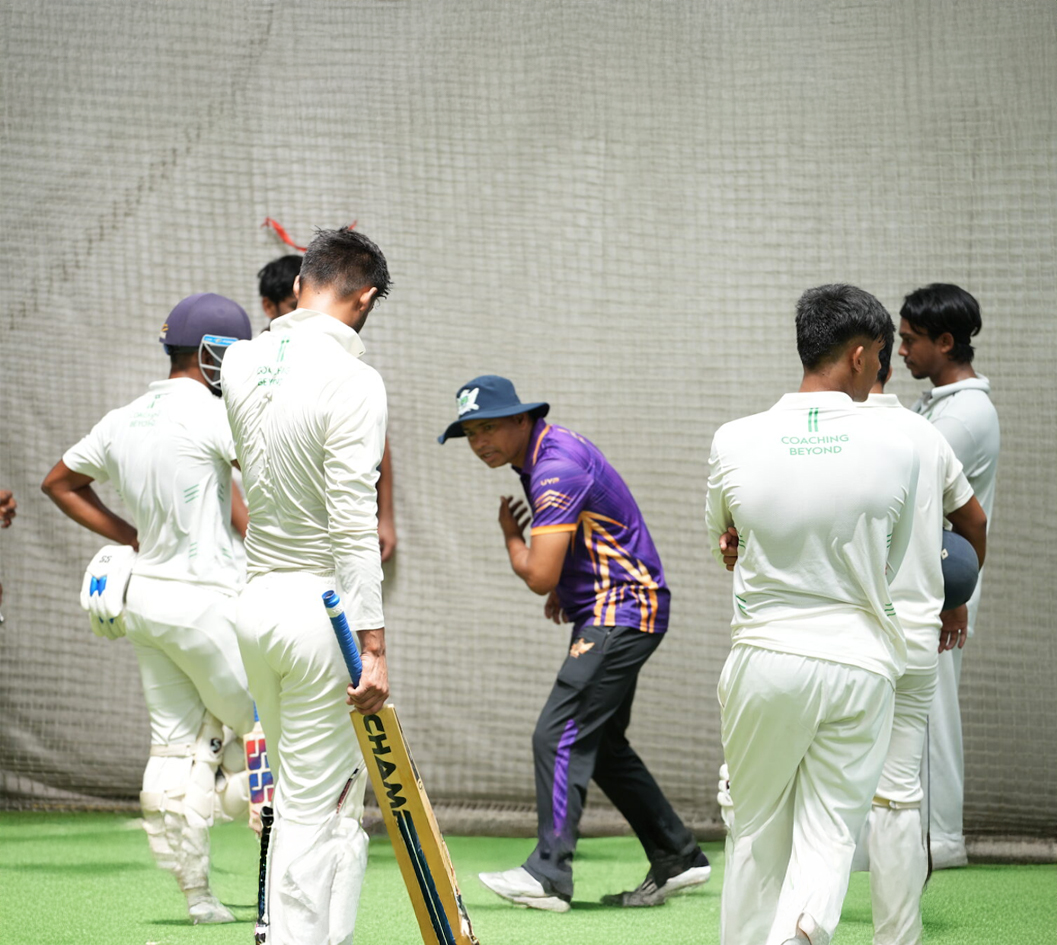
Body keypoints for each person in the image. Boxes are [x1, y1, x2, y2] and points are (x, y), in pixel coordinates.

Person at [439, 375, 710, 912]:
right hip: (616, 605)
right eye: (469, 433)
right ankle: (678, 855)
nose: (479, 442)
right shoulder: (542, 453)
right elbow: (585, 541)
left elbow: (538, 573)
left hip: (623, 609)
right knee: (602, 745)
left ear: (522, 419)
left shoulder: (553, 468)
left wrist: (513, 540)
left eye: (488, 427)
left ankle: (548, 874)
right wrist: (571, 588)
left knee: (557, 733)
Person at [705, 284, 919, 945]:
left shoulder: (732, 439)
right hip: (859, 659)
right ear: (859, 355)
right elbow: (891, 557)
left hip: (765, 656)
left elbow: (724, 538)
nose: (881, 370)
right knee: (831, 828)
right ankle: (801, 928)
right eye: (881, 355)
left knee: (755, 827)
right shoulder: (899, 445)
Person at [41, 293, 258, 924]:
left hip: (146, 600)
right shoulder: (215, 414)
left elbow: (59, 482)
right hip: (208, 602)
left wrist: (129, 536)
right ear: (216, 354)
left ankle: (199, 900)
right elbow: (264, 482)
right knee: (273, 733)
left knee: (175, 750)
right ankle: (280, 885)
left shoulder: (123, 419)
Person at [222, 226, 391, 945]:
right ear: (366, 297)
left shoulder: (237, 361)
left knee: (294, 799)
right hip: (321, 611)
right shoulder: (355, 378)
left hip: (255, 603)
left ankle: (276, 931)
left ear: (299, 284)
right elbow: (354, 518)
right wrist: (373, 642)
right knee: (326, 809)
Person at [856, 342, 987, 943]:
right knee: (899, 792)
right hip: (914, 629)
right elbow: (973, 523)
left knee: (825, 793)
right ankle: (897, 934)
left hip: (848, 639)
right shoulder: (925, 432)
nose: (907, 350)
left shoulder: (828, 438)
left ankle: (803, 924)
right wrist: (953, 593)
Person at [897, 283, 1000, 871]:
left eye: (911, 341)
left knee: (932, 705)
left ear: (945, 341)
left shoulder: (965, 415)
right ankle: (917, 834)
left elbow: (932, 504)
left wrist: (950, 595)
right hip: (925, 579)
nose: (902, 350)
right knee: (917, 700)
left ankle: (941, 842)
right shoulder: (936, 404)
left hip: (944, 583)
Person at [257, 252, 398, 562]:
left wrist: (384, 517)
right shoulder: (249, 364)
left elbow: (377, 441)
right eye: (296, 307)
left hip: (335, 529)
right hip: (276, 537)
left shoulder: (344, 362)